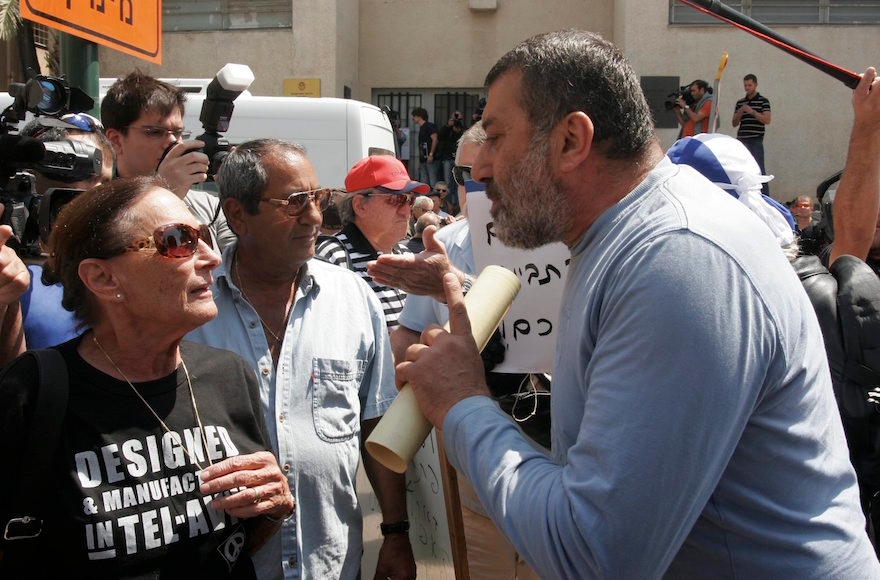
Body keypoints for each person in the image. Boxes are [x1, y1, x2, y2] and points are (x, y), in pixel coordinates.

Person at [393, 30, 878, 578]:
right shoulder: (619, 242)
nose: (478, 170)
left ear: (572, 140)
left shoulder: (675, 257)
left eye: (497, 137)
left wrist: (461, 402)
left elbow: (594, 555)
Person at [0, 176, 294, 577]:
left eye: (206, 237)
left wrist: (274, 507)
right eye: (179, 241)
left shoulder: (229, 375)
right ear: (103, 279)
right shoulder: (33, 391)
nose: (212, 258)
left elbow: (236, 542)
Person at [184, 140, 415, 580]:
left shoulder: (352, 297)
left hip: (330, 564)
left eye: (317, 198)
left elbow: (376, 424)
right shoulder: (191, 308)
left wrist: (396, 532)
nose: (314, 217)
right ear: (236, 214)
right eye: (293, 203)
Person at [369, 121, 544, 579]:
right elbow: (409, 331)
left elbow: (548, 329)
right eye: (465, 174)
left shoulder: (555, 237)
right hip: (465, 469)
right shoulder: (444, 241)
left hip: (548, 462)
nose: (473, 189)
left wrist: (458, 288)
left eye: (487, 177)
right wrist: (399, 368)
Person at [101, 70, 236, 250]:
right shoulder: (95, 204)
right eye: (155, 132)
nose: (173, 142)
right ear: (116, 140)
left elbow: (243, 264)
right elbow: (122, 258)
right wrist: (164, 193)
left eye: (179, 133)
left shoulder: (207, 205)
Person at [315, 154, 428, 330]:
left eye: (410, 199)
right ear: (360, 205)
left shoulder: (406, 255)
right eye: (397, 199)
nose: (407, 211)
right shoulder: (332, 258)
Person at [732, 73, 771, 194]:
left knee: (759, 169)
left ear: (756, 85)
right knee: (741, 169)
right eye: (745, 85)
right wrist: (740, 112)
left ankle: (765, 196)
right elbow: (734, 123)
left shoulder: (763, 101)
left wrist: (751, 111)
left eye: (749, 85)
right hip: (742, 139)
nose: (747, 88)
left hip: (755, 140)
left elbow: (767, 120)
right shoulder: (740, 103)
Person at [411, 107, 439, 187]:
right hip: (423, 159)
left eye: (414, 116)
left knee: (432, 181)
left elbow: (435, 139)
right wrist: (420, 161)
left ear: (419, 116)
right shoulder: (421, 128)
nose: (413, 118)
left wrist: (431, 154)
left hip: (430, 159)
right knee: (424, 183)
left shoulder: (428, 126)